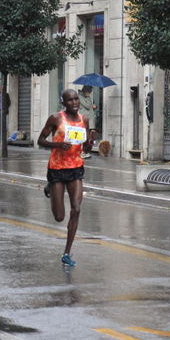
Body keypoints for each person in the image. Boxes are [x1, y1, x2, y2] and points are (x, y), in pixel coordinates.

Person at [38, 89, 95, 267]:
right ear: (64, 102)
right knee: (59, 217)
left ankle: (67, 253)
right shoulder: (55, 118)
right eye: (70, 100)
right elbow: (40, 140)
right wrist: (57, 144)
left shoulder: (83, 120)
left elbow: (84, 148)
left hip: (76, 168)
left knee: (76, 209)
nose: (74, 102)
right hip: (56, 169)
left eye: (76, 99)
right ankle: (49, 187)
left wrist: (90, 142)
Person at [78, 85, 97, 158]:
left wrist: (94, 106)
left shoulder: (87, 97)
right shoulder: (80, 97)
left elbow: (90, 107)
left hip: (89, 119)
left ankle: (85, 151)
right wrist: (91, 103)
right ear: (86, 91)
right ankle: (82, 152)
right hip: (84, 120)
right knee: (84, 136)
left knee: (88, 137)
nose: (90, 93)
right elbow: (88, 106)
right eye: (90, 92)